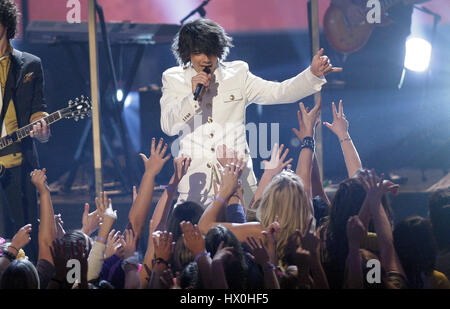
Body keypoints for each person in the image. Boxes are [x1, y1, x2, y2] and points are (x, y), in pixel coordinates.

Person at [160, 18, 341, 209]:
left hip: (239, 185)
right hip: (196, 188)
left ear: (219, 51)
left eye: (211, 52)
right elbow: (169, 126)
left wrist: (312, 74)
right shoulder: (173, 78)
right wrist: (192, 98)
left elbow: (278, 92)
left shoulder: (238, 74)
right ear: (187, 53)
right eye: (198, 53)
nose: (205, 59)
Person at [0, 0, 50, 262]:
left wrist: (42, 128)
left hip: (19, 166)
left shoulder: (29, 65)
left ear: (5, 25)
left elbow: (38, 110)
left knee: (24, 243)